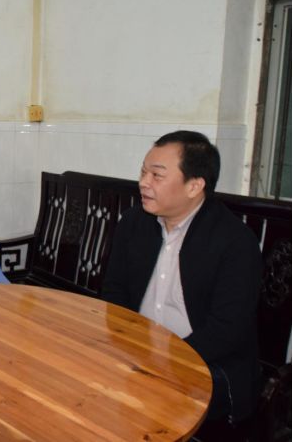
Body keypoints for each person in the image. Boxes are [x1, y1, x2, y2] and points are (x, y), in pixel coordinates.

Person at [102, 131, 262, 423]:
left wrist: (165, 361)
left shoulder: (235, 242)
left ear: (194, 186)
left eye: (157, 175)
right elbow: (114, 292)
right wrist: (130, 346)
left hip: (210, 363)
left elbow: (226, 330)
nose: (144, 182)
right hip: (140, 352)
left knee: (141, 401)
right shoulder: (134, 223)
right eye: (143, 172)